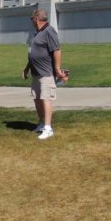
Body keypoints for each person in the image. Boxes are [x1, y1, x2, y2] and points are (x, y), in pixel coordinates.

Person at [22, 9, 69, 140]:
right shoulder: (37, 33)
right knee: (37, 98)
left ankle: (48, 128)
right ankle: (42, 123)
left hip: (46, 73)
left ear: (36, 18)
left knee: (46, 98)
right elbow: (32, 54)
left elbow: (57, 50)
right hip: (36, 73)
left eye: (32, 19)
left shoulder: (49, 31)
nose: (31, 21)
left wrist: (58, 69)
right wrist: (26, 69)